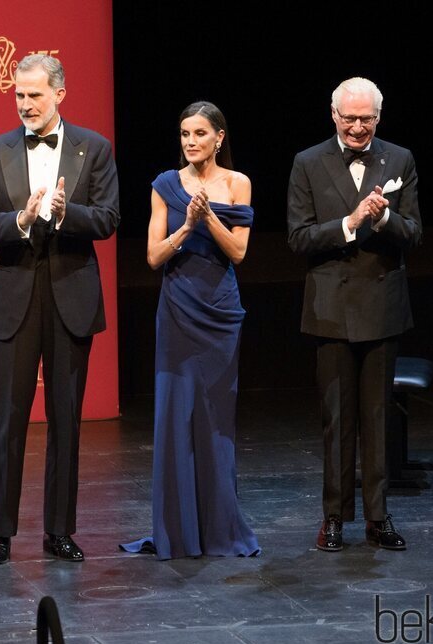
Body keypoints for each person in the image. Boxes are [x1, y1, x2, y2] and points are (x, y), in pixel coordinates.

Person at [0, 54, 120, 565]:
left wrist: (62, 213)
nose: (26, 104)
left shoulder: (93, 148)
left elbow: (107, 218)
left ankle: (60, 530)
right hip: (14, 300)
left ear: (59, 93)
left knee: (66, 420)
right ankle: (2, 533)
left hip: (71, 300)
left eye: (35, 95)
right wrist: (22, 217)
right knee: (7, 421)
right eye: (19, 95)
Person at [287, 77, 422, 553]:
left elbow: (414, 233)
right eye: (350, 118)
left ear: (378, 118)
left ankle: (378, 516)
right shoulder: (308, 162)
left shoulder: (399, 159)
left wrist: (382, 218)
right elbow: (299, 237)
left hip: (382, 306)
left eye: (367, 118)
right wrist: (351, 222)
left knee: (379, 418)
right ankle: (334, 516)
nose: (359, 126)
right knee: (337, 419)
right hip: (331, 309)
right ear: (334, 115)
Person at [121, 101, 260, 560]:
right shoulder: (165, 185)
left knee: (215, 418)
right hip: (178, 310)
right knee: (175, 416)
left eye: (199, 133)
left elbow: (238, 253)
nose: (190, 142)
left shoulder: (238, 183)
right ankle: (177, 532)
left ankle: (219, 529)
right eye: (184, 134)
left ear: (219, 137)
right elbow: (154, 256)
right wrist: (185, 229)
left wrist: (210, 219)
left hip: (219, 311)